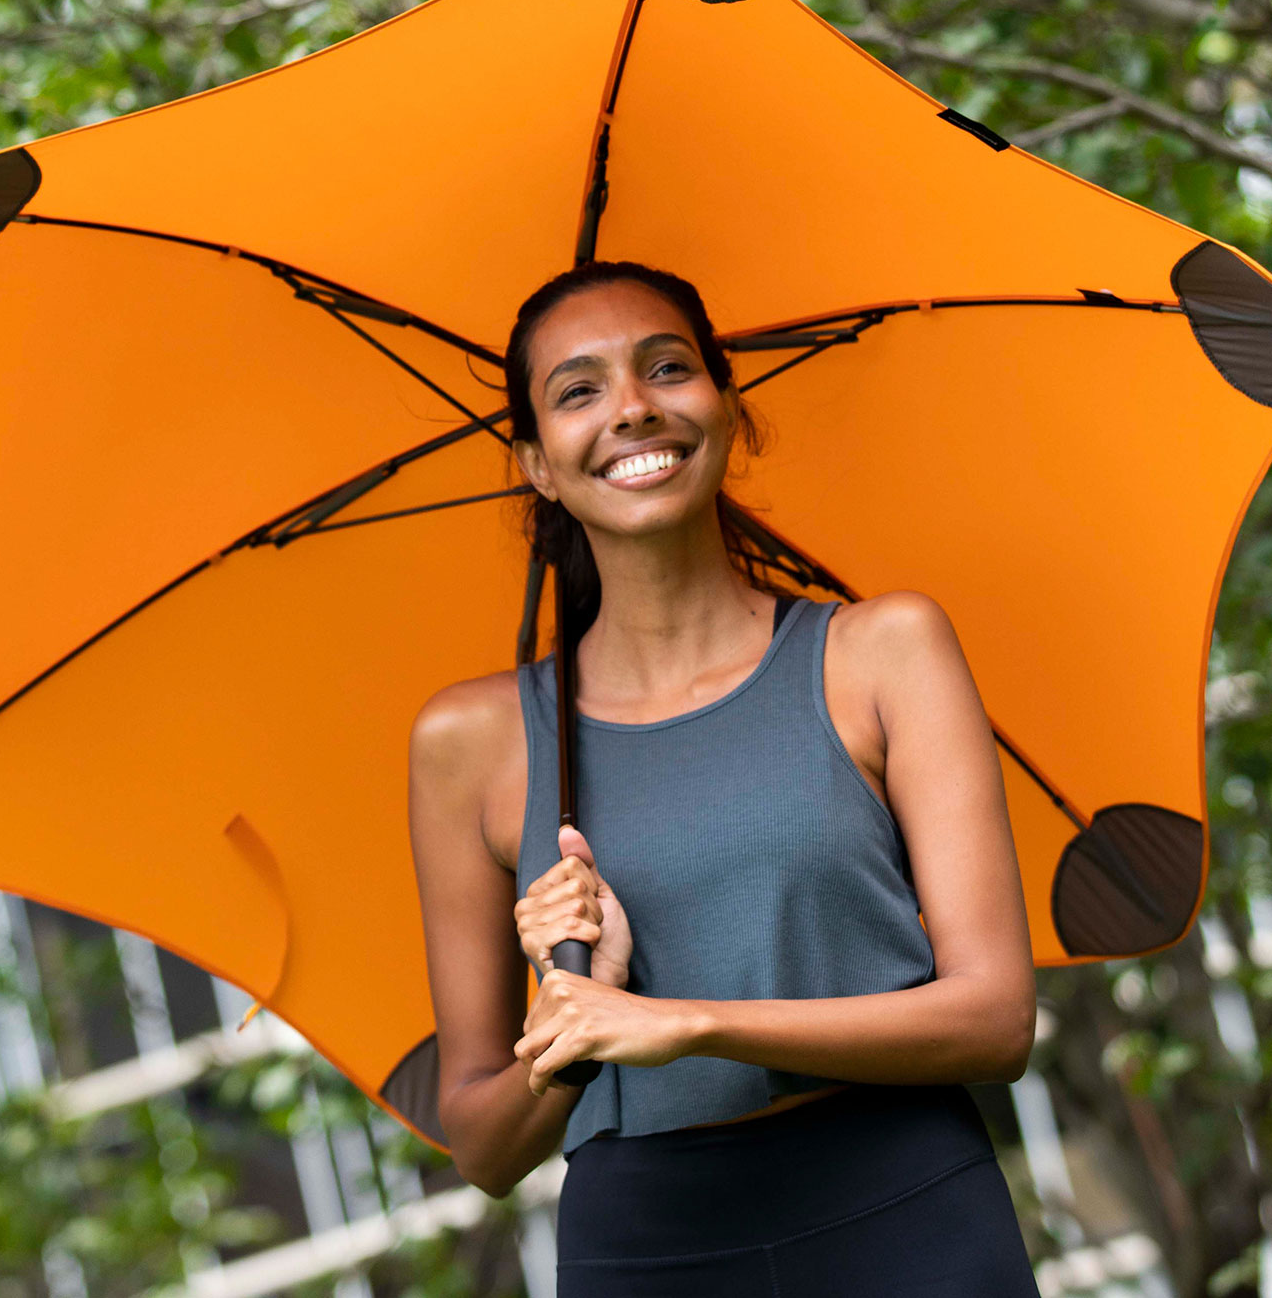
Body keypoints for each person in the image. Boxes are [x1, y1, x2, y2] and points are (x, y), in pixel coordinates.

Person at [406, 259, 1041, 1295]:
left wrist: (686, 1020)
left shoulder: (882, 652)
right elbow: (480, 1143)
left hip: (908, 1210)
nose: (632, 409)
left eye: (666, 368)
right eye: (578, 390)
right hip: (646, 1245)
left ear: (727, 403)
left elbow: (993, 1018)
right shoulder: (472, 742)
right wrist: (579, 1021)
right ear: (536, 464)